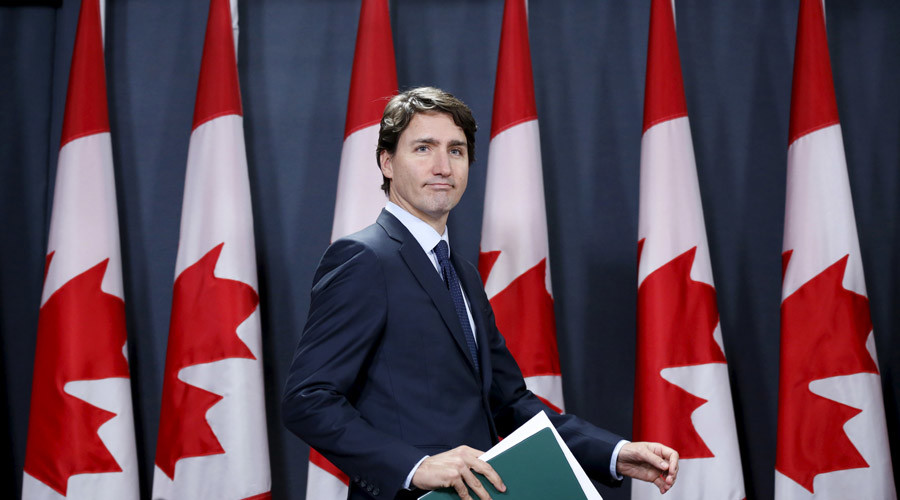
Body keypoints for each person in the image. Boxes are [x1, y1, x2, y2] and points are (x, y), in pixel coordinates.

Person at [282, 87, 678, 500]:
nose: (442, 166)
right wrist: (415, 467)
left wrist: (613, 453)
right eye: (423, 148)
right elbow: (307, 399)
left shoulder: (462, 274)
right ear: (386, 162)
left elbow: (508, 404)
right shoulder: (364, 259)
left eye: (455, 151)